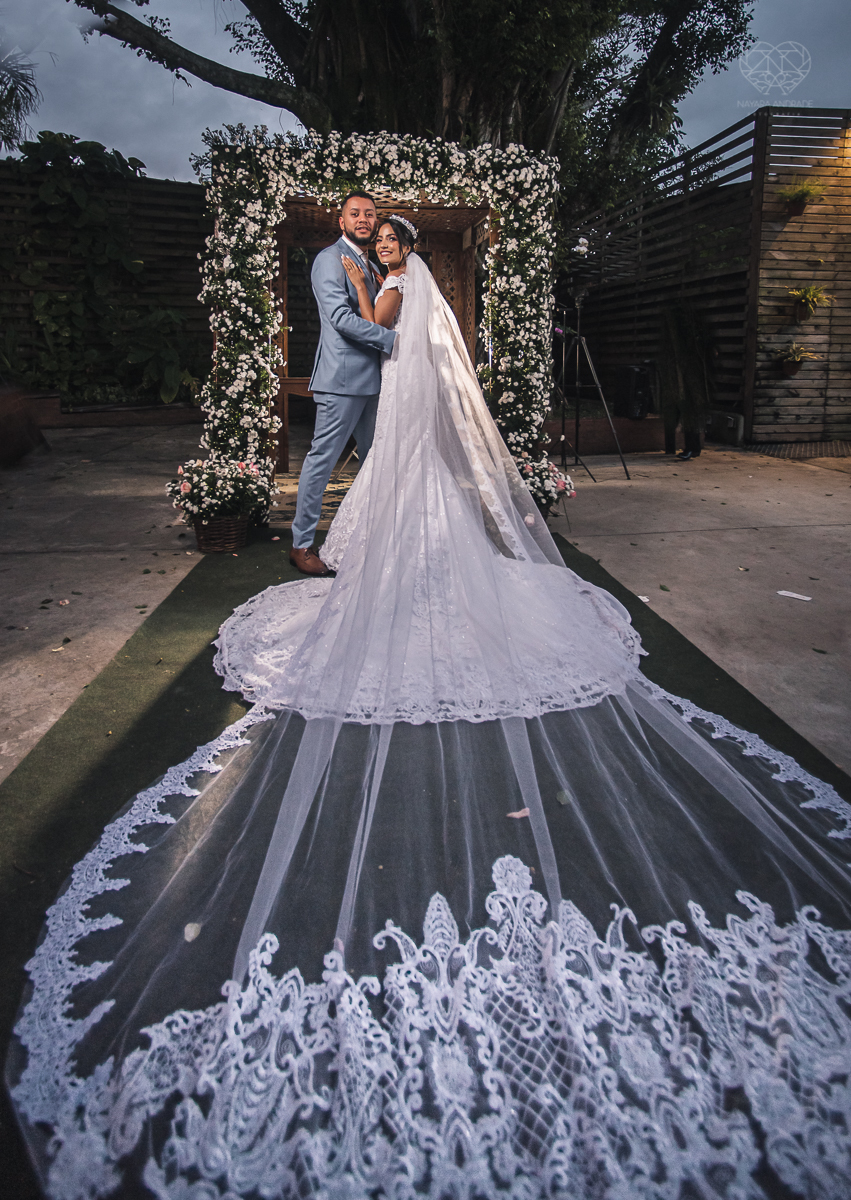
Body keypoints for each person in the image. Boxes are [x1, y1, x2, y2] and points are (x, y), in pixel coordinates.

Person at [8, 218, 851, 1200]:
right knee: (403, 517)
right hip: (408, 439)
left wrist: (373, 290)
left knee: (387, 536)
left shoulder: (397, 287)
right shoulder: (415, 289)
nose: (378, 250)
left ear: (398, 250)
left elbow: (378, 326)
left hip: (398, 438)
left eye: (385, 242)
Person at [289, 191, 397, 576]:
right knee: (322, 460)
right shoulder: (328, 260)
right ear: (342, 221)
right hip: (342, 379)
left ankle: (367, 536)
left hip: (375, 381)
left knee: (375, 461)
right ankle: (301, 544)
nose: (363, 219)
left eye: (369, 213)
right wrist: (396, 342)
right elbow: (341, 318)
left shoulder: (370, 265)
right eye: (355, 214)